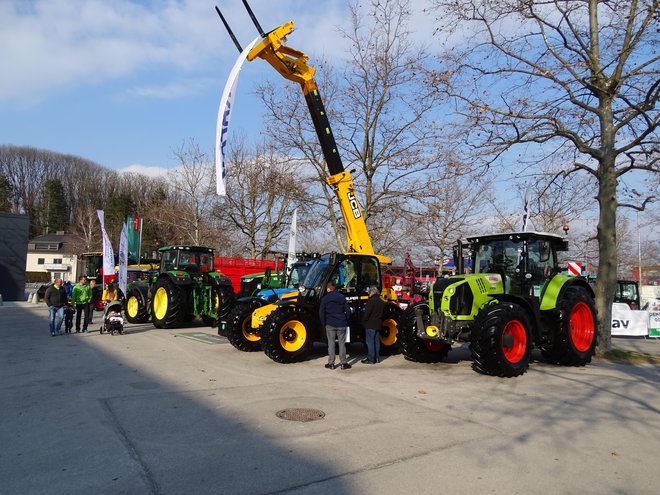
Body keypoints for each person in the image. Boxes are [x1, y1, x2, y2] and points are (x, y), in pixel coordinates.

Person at [319, 280, 352, 370]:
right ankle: (343, 363)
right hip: (341, 323)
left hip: (330, 324)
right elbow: (348, 311)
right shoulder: (341, 297)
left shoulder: (325, 298)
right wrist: (346, 320)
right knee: (342, 343)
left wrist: (323, 323)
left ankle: (331, 363)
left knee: (331, 343)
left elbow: (321, 312)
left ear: (329, 288)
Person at [361, 286, 384, 364]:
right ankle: (377, 358)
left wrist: (363, 321)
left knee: (370, 342)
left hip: (370, 324)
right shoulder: (381, 301)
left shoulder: (371, 301)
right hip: (378, 324)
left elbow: (367, 313)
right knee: (376, 342)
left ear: (371, 292)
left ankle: (371, 359)